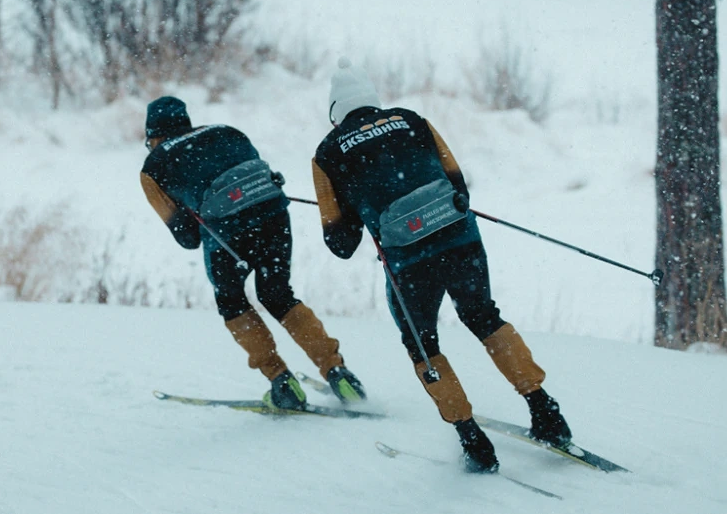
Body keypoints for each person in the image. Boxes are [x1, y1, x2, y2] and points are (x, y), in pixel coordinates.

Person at [310, 58, 572, 473]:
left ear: (335, 110)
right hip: (460, 238)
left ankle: (472, 438)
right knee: (484, 317)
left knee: (423, 344)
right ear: (373, 101)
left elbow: (340, 243)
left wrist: (362, 208)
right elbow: (456, 180)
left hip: (408, 260)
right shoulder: (413, 120)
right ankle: (546, 411)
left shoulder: (327, 152)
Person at [139, 96, 366, 409]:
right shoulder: (226, 131)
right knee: (278, 295)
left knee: (232, 302)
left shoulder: (153, 166)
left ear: (152, 136)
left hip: (226, 233)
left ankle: (281, 381)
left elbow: (188, 238)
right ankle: (337, 371)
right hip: (273, 214)